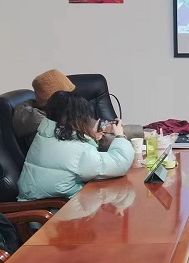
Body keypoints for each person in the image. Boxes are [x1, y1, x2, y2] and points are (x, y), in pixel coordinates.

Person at [17, 91, 135, 201]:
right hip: (54, 211)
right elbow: (119, 163)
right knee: (120, 196)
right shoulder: (80, 151)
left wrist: (88, 136)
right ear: (77, 119)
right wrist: (120, 136)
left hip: (30, 206)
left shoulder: (42, 136)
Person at [12, 69, 142, 151]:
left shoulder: (55, 115)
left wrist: (143, 132)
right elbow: (87, 143)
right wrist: (121, 139)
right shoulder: (45, 127)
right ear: (58, 100)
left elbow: (90, 125)